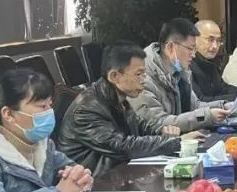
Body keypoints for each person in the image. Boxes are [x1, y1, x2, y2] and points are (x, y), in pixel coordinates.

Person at [58, 42, 183, 174]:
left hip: (117, 173)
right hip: (91, 180)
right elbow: (122, 146)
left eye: (144, 74)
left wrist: (163, 131)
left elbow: (140, 127)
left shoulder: (119, 98)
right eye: (138, 74)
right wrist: (174, 142)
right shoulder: (85, 110)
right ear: (115, 76)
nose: (144, 81)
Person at [132, 18, 230, 133]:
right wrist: (208, 116)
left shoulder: (179, 71)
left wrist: (223, 106)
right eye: (190, 49)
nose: (193, 55)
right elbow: (159, 123)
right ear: (170, 47)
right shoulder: (142, 79)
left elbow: (195, 106)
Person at [190, 19, 237, 100]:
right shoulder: (187, 65)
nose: (215, 46)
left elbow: (223, 89)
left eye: (218, 41)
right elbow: (200, 101)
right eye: (210, 40)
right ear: (194, 39)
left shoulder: (210, 63)